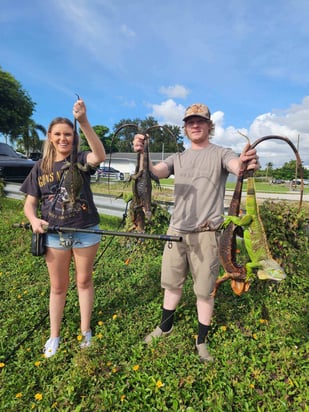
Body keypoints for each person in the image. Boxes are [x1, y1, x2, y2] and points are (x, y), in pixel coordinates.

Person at [133, 103, 259, 362]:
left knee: (204, 290)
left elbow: (238, 166)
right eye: (190, 121)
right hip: (176, 231)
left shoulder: (221, 153)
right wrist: (143, 153)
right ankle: (165, 326)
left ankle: (201, 341)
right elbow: (154, 173)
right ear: (185, 127)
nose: (195, 125)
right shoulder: (178, 158)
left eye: (200, 121)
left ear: (209, 125)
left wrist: (245, 163)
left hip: (206, 234)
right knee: (171, 284)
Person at [20, 98, 106, 358]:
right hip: (54, 235)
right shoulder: (40, 167)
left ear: (73, 137)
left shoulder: (80, 160)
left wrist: (83, 121)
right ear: (50, 136)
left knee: (84, 281)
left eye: (68, 134)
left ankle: (85, 330)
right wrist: (34, 220)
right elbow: (29, 204)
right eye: (57, 134)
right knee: (57, 287)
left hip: (85, 230)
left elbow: (99, 155)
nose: (63, 139)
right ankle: (54, 335)